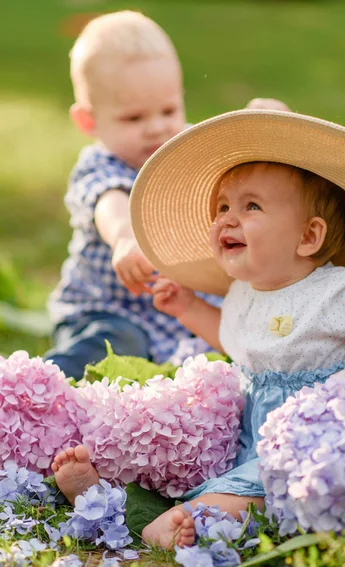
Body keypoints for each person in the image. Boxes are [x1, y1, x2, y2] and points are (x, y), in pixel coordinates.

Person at [52, 109, 345, 549]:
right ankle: (109, 495)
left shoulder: (338, 290)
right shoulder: (243, 293)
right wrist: (188, 307)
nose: (227, 219)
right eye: (223, 206)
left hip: (315, 439)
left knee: (260, 493)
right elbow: (236, 343)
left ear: (308, 237)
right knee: (189, 460)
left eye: (250, 206)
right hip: (248, 433)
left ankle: (185, 519)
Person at [45, 11, 288, 379]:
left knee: (237, 350)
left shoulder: (186, 149)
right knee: (117, 346)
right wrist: (125, 238)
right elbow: (108, 202)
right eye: (134, 118)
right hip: (113, 311)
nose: (157, 128)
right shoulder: (100, 164)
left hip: (184, 314)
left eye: (169, 110)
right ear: (89, 121)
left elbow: (235, 162)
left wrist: (260, 127)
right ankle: (36, 390)